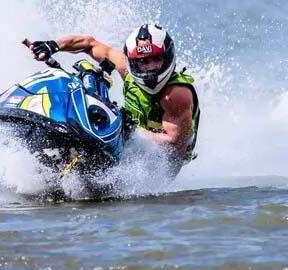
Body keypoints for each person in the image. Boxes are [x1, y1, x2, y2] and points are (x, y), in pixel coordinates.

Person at [30, 24, 200, 166]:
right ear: (131, 61)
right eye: (142, 62)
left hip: (160, 165)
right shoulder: (126, 68)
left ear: (168, 56)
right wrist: (53, 45)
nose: (150, 68)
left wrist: (133, 132)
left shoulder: (176, 95)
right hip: (126, 137)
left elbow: (175, 149)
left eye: (156, 59)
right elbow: (89, 44)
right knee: (89, 73)